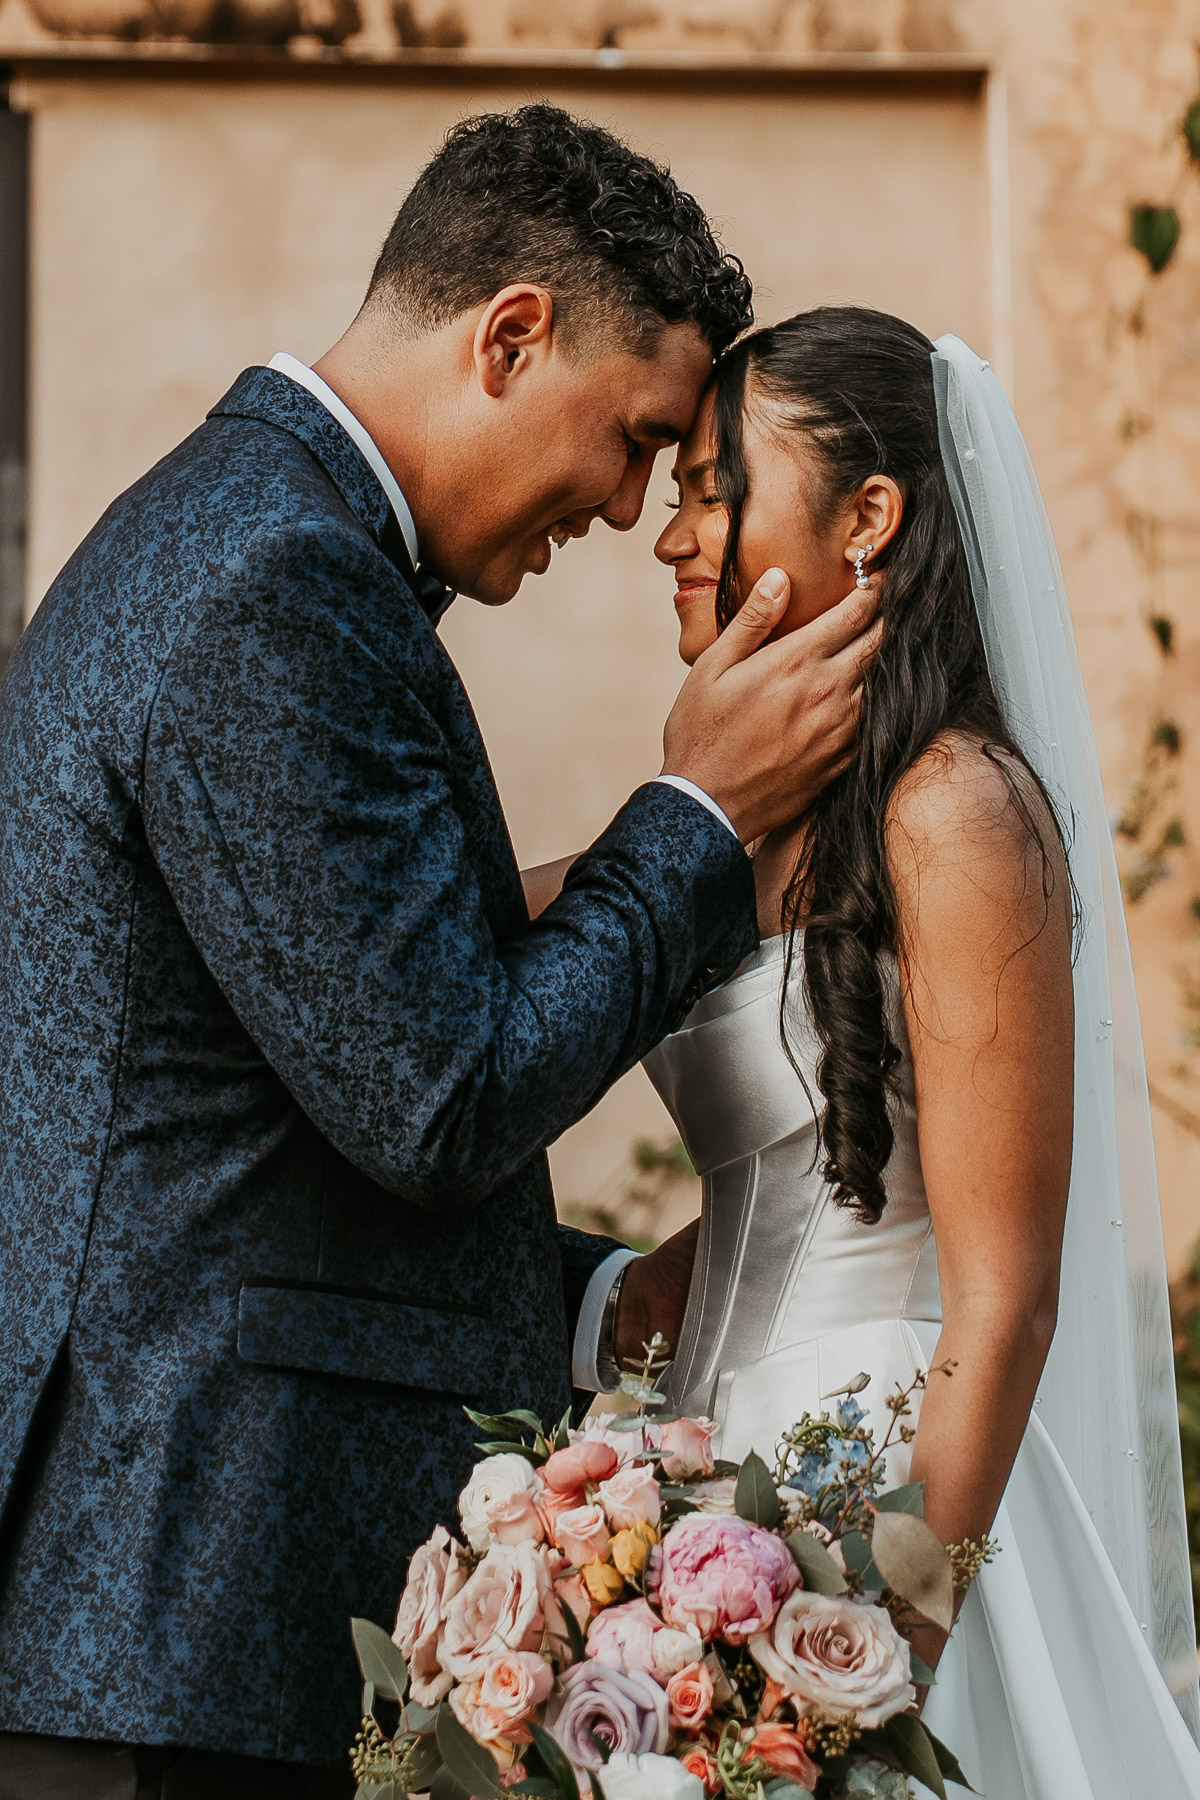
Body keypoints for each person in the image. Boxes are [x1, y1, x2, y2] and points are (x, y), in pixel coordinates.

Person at [0, 112, 878, 1798]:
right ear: (511, 333)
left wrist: (605, 1298)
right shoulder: (281, 583)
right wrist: (691, 813)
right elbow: (440, 1092)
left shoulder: (233, 529)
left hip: (166, 1597)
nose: (633, 510)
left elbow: (323, 1017)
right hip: (198, 1604)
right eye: (631, 440)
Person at [560, 307, 1200, 1795]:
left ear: (869, 519)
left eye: (715, 486)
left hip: (894, 1480)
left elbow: (1006, 1298)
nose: (673, 533)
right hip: (708, 1490)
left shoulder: (956, 812)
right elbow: (501, 919)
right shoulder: (750, 823)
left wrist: (879, 1654)